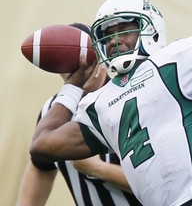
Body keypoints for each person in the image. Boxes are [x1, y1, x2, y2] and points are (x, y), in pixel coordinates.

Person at [29, 0, 192, 206]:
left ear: (150, 29)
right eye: (107, 34)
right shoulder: (101, 102)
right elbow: (42, 145)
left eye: (124, 29)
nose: (115, 40)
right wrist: (73, 85)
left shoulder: (177, 60)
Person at [17, 23, 141, 206]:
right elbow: (40, 168)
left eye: (82, 61)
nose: (78, 71)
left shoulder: (128, 98)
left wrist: (98, 169)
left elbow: (162, 180)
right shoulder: (52, 111)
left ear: (99, 57)